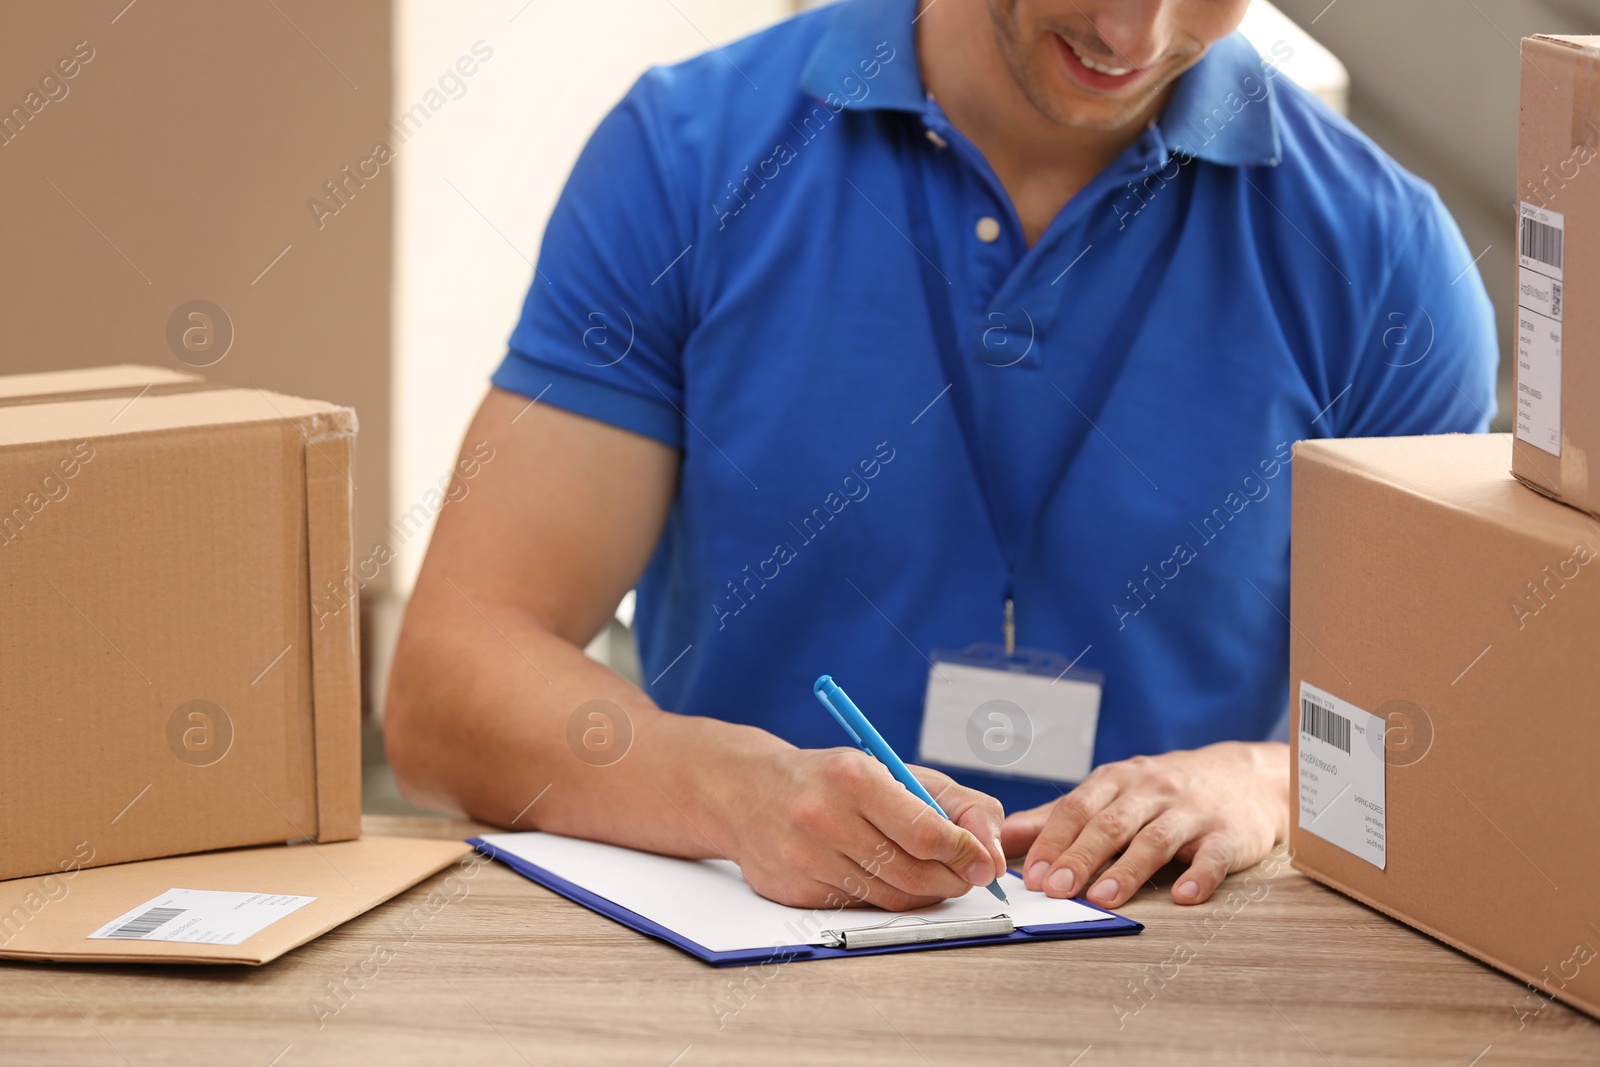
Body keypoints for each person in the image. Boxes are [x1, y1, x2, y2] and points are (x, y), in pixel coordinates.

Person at [385, 0, 1496, 913]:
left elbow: (1459, 739)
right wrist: (737, 794)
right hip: (759, 960)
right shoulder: (686, 158)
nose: (1135, 32)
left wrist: (1268, 780)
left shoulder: (1385, 258)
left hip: (1182, 981)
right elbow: (447, 686)